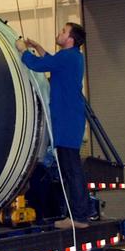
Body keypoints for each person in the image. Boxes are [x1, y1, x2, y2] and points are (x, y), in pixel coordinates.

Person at [15, 23, 91, 230]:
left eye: (63, 31)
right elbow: (51, 61)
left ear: (70, 40)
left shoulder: (66, 57)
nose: (59, 33)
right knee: (71, 170)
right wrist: (38, 47)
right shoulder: (72, 57)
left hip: (66, 122)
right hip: (70, 120)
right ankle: (79, 215)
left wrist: (23, 51)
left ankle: (78, 217)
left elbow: (38, 65)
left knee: (71, 171)